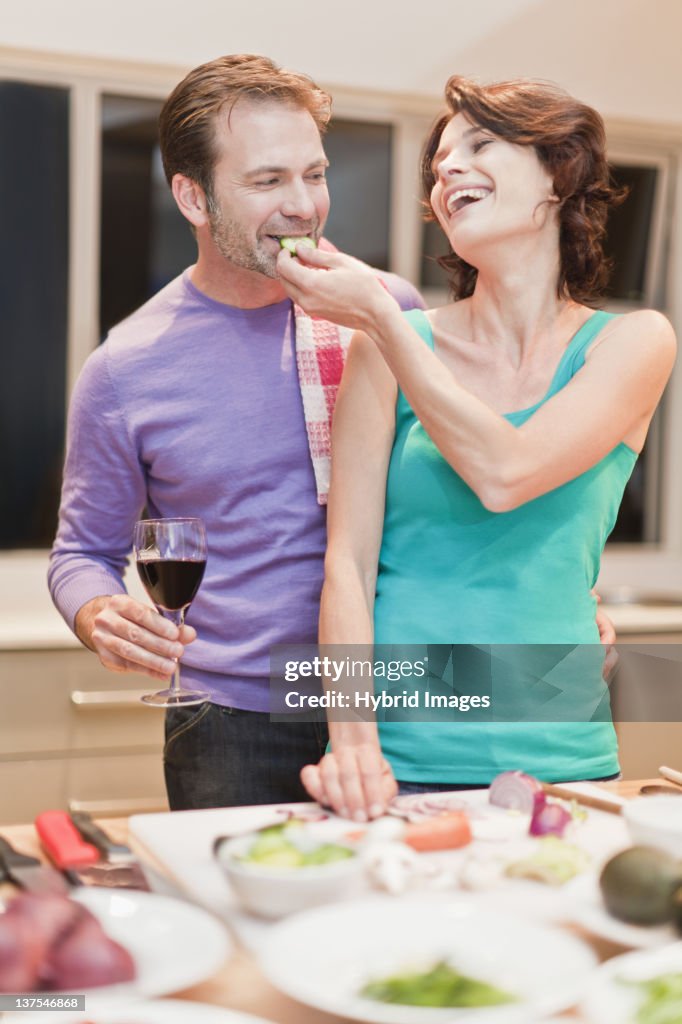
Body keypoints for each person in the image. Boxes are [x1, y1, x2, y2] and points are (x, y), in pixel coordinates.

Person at [276, 75, 676, 822]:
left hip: (562, 763)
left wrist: (382, 320)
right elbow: (348, 566)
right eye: (437, 165)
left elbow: (506, 473)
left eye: (481, 144)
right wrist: (354, 743)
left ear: (558, 174)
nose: (447, 170)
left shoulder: (632, 343)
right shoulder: (386, 349)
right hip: (398, 761)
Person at [48, 54, 424, 811]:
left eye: (314, 175)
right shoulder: (127, 368)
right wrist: (99, 615)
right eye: (267, 180)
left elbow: (463, 487)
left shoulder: (385, 312)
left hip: (402, 696)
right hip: (230, 721)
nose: (303, 205)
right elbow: (82, 553)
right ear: (193, 196)